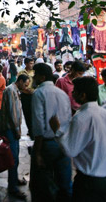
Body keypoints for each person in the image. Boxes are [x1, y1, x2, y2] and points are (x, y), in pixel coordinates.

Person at [50, 77, 106, 202]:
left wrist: (57, 130)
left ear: (82, 95)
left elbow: (70, 150)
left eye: (74, 92)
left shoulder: (83, 117)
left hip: (92, 183)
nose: (72, 94)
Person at [30, 63, 72, 201]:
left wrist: (37, 152)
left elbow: (39, 125)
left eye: (35, 74)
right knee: (64, 182)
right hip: (64, 142)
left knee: (44, 185)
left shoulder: (39, 93)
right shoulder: (62, 94)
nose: (33, 77)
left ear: (42, 77)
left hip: (47, 144)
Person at [0, 74, 30, 199]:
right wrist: (17, 129)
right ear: (20, 81)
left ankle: (14, 180)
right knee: (13, 158)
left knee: (15, 156)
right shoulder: (11, 91)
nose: (25, 87)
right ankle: (13, 187)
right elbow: (12, 113)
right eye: (25, 84)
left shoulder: (14, 90)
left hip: (12, 128)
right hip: (10, 129)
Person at [18, 58, 35, 138]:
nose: (31, 65)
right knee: (27, 114)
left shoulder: (34, 72)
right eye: (30, 63)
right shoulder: (21, 72)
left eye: (32, 63)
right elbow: (19, 84)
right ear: (26, 64)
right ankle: (30, 131)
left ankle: (33, 131)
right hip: (25, 95)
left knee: (34, 114)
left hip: (34, 95)